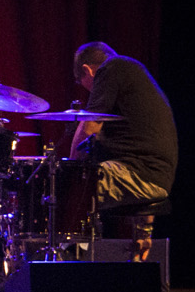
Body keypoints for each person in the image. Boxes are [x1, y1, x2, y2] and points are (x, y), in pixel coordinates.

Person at [68, 41, 177, 211]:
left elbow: (89, 127)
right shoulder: (134, 73)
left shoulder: (110, 67)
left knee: (64, 186)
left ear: (87, 70)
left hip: (139, 176)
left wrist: (71, 170)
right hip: (159, 178)